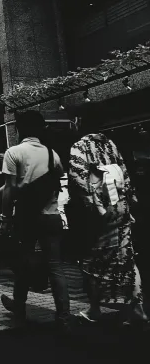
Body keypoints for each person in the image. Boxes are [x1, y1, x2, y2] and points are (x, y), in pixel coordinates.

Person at [0, 110, 71, 333]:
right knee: (56, 267)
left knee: (23, 262)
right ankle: (64, 317)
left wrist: (4, 217)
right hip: (51, 217)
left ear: (19, 129)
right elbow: (57, 178)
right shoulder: (53, 154)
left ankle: (19, 306)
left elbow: (10, 189)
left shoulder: (14, 153)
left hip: (26, 218)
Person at [68, 126, 147, 325]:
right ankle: (137, 309)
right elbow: (126, 177)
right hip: (121, 207)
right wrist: (130, 204)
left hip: (99, 211)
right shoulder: (110, 144)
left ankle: (95, 309)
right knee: (127, 258)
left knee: (91, 263)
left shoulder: (80, 146)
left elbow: (78, 178)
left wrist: (90, 205)